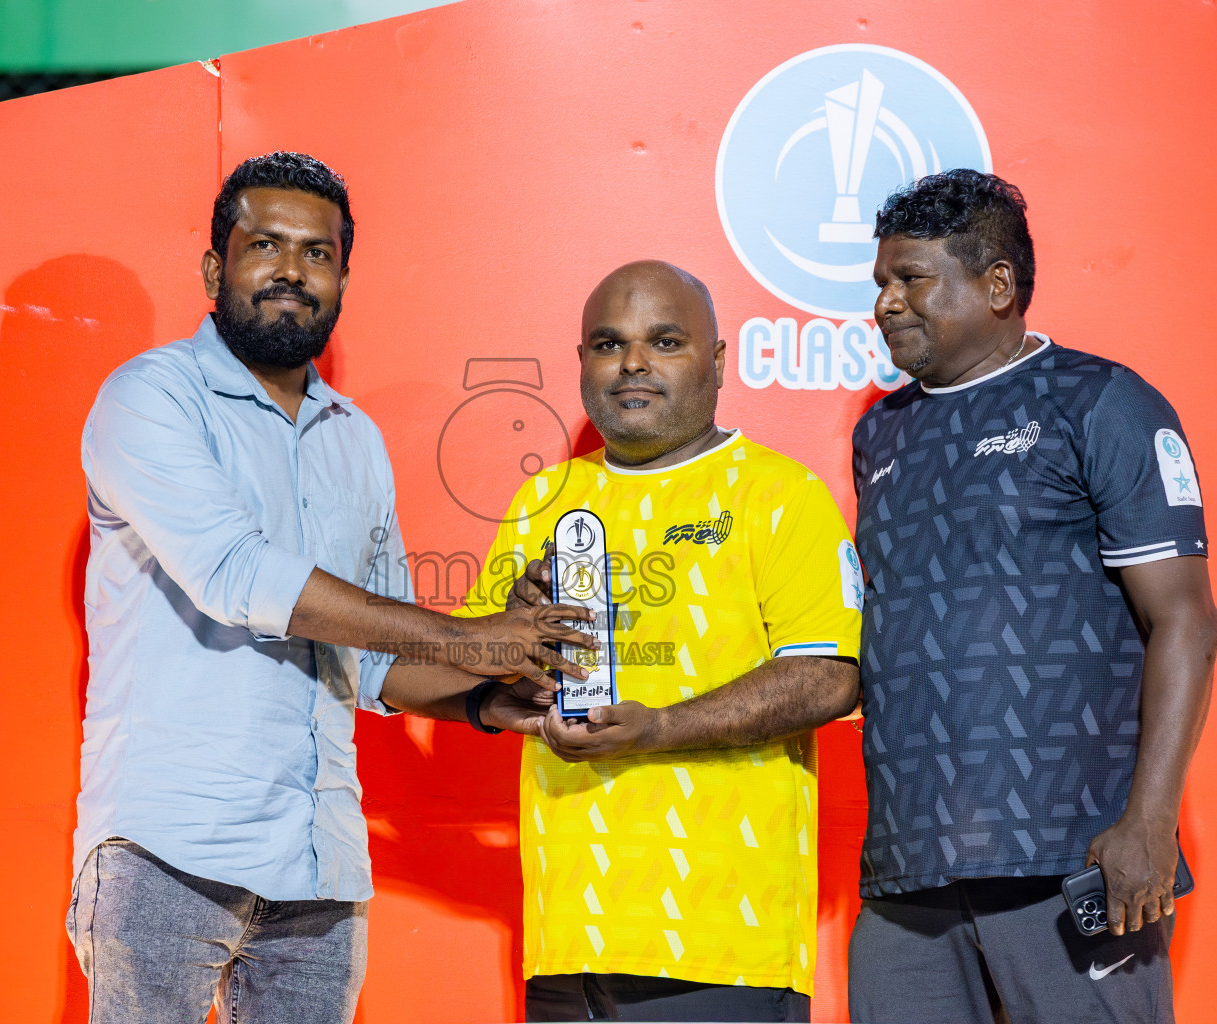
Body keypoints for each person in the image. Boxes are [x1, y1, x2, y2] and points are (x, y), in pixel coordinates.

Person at [65, 152, 594, 1024]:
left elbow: (375, 666)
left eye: (318, 254)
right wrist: (470, 635)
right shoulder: (150, 398)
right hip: (167, 852)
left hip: (321, 866)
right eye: (264, 245)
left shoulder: (357, 441)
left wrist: (496, 700)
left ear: (343, 277)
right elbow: (236, 574)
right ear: (214, 267)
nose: (291, 271)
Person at [847, 169, 1217, 1024]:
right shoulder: (881, 433)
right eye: (880, 284)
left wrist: (1150, 823)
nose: (886, 304)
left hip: (1070, 859)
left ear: (998, 285)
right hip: (907, 876)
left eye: (912, 280)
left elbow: (1186, 621)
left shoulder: (1101, 401)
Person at [470, 260, 862, 1022]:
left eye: (667, 341)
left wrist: (656, 729)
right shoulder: (544, 501)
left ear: (716, 362)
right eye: (609, 344)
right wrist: (512, 653)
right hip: (566, 937)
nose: (635, 363)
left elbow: (827, 679)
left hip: (723, 946)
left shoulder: (781, 495)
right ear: (583, 361)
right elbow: (466, 677)